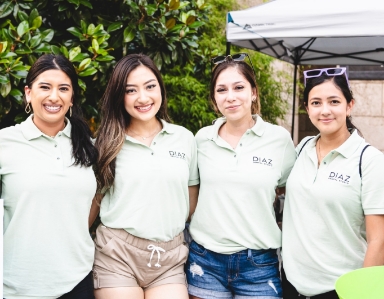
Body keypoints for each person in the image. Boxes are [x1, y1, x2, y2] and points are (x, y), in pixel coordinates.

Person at [186, 53, 296, 299]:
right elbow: (192, 193)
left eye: (239, 87)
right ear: (214, 98)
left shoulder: (279, 139)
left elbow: (288, 190)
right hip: (205, 260)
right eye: (222, 90)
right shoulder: (201, 139)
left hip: (258, 264)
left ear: (254, 91)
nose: (231, 96)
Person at [89, 53, 199, 299]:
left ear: (160, 88)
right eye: (131, 90)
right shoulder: (105, 144)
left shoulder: (184, 138)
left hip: (169, 257)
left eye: (150, 86)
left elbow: (191, 199)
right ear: (120, 96)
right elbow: (93, 202)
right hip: (117, 254)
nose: (143, 97)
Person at [282, 67, 384, 299]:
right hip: (290, 285)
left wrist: (362, 293)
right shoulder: (301, 149)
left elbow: (379, 241)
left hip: (341, 289)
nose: (325, 110)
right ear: (307, 109)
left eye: (334, 101)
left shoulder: (369, 161)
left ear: (349, 106)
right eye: (316, 103)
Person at [1, 54, 98, 298]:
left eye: (63, 88)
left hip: (78, 280)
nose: (54, 96)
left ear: (72, 97)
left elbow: (95, 199)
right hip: (17, 286)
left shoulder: (90, 146)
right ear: (28, 93)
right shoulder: (5, 143)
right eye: (45, 87)